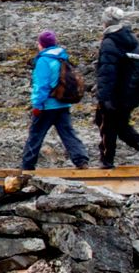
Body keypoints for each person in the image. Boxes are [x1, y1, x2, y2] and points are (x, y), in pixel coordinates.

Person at [95, 8, 139, 169]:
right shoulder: (131, 39)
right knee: (120, 125)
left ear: (106, 23)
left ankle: (107, 161)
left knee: (106, 124)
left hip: (115, 93)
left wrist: (104, 97)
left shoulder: (109, 42)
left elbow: (107, 72)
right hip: (130, 94)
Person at [21, 30, 89, 170]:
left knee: (35, 134)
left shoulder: (43, 60)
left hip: (47, 105)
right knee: (68, 133)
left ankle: (27, 165)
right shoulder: (62, 57)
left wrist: (37, 105)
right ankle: (81, 160)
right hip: (63, 103)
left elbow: (41, 85)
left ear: (41, 44)